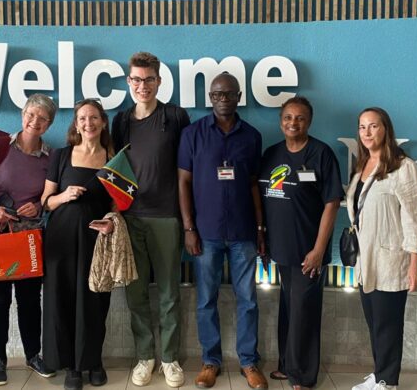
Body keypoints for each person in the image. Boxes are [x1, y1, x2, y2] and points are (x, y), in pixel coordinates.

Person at [177, 72, 269, 390]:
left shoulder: (252, 136)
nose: (222, 99)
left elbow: (255, 185)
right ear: (210, 98)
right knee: (206, 301)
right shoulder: (193, 134)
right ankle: (210, 362)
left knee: (249, 300)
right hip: (206, 232)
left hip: (243, 231)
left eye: (228, 94)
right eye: (217, 95)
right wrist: (189, 228)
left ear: (239, 96)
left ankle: (248, 362)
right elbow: (183, 182)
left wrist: (259, 227)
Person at [111, 52, 190, 388]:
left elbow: (186, 170)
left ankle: (169, 359)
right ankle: (146, 356)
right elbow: (114, 169)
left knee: (170, 292)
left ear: (159, 81)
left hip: (166, 216)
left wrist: (188, 220)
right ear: (129, 82)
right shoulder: (121, 120)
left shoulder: (175, 116)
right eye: (136, 80)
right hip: (130, 218)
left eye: (149, 79)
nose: (142, 85)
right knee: (136, 292)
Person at [258, 96, 343, 390]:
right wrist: (264, 239)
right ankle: (286, 365)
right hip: (281, 248)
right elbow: (263, 197)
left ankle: (304, 376)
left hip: (309, 251)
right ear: (281, 121)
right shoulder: (271, 154)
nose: (293, 123)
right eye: (288, 118)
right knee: (289, 306)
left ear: (309, 121)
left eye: (300, 118)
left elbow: (332, 204)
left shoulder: (321, 154)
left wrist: (319, 250)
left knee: (304, 310)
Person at [0, 94, 58, 385]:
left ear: (49, 124)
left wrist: (39, 204)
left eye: (42, 118)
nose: (35, 121)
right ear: (23, 115)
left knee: (30, 299)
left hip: (30, 238)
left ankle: (33, 355)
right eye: (31, 114)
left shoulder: (51, 157)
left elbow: (49, 195)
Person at [346, 107, 417, 390]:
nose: (367, 132)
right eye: (362, 127)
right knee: (375, 322)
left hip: (392, 260)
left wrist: (416, 261)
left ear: (386, 129)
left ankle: (388, 381)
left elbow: (413, 218)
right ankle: (379, 373)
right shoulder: (362, 166)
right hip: (366, 260)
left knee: (388, 324)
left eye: (373, 126)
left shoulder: (404, 167)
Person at [41, 99, 115, 390]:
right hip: (61, 240)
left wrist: (111, 222)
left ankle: (93, 361)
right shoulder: (60, 156)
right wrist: (64, 196)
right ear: (76, 123)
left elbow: (117, 204)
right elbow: (45, 203)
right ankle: (72, 366)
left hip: (97, 241)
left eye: (94, 117)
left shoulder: (113, 157)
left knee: (96, 301)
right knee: (64, 300)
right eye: (82, 118)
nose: (88, 123)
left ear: (103, 122)